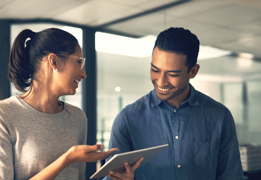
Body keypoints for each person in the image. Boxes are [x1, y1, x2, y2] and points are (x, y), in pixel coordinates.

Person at [0, 28, 121, 180]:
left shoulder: (77, 117)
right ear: (54, 61)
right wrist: (66, 159)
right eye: (79, 62)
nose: (84, 74)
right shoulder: (0, 115)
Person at [104, 27, 244, 180]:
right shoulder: (127, 118)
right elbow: (112, 177)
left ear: (193, 71)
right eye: (155, 70)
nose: (161, 81)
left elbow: (231, 175)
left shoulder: (219, 116)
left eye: (172, 74)